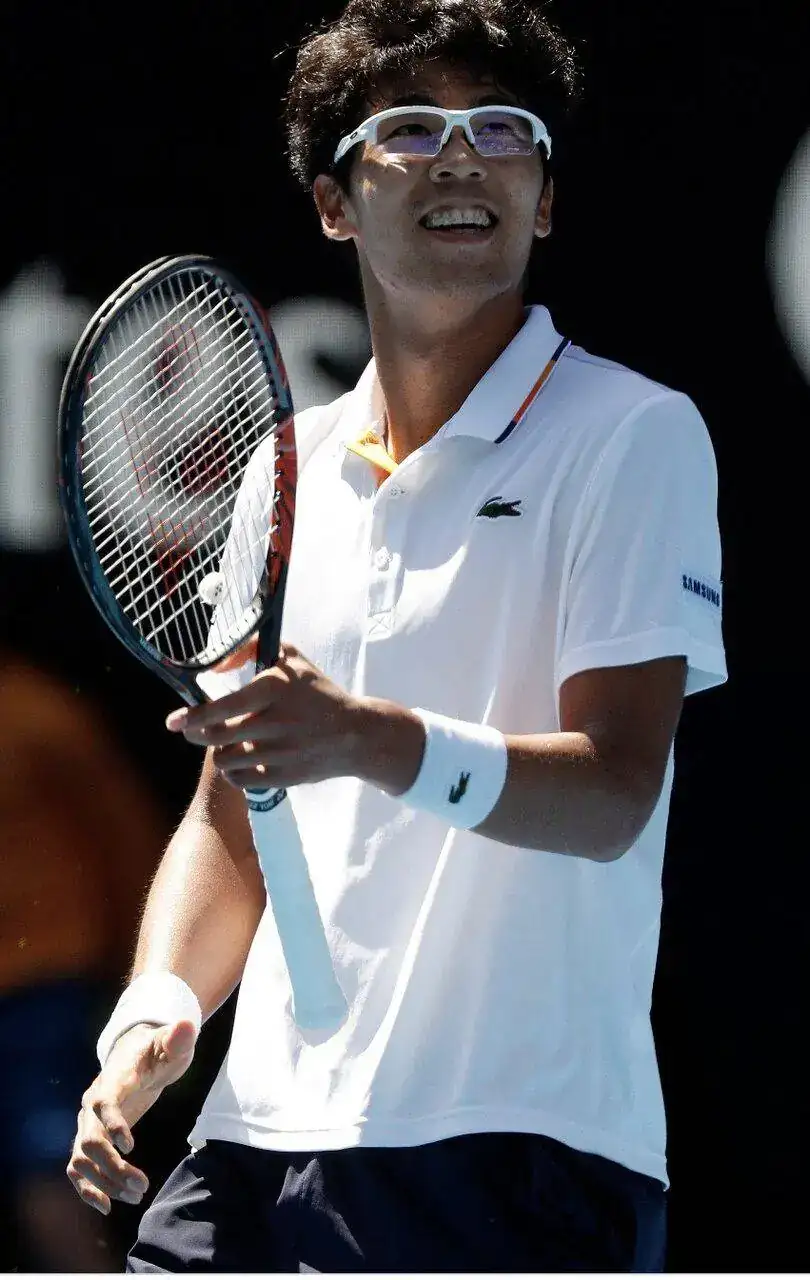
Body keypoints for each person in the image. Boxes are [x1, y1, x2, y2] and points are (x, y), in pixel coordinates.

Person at [66, 0, 727, 1271]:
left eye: (502, 130)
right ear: (334, 203)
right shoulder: (283, 467)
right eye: (413, 128)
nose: (461, 157)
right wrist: (159, 1006)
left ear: (545, 201)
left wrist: (368, 737)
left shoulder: (636, 436)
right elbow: (232, 806)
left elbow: (612, 791)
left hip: (516, 1153)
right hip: (253, 1145)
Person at [0, 649, 167, 1271]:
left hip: (44, 981)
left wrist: (145, 973)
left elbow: (128, 840)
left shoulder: (39, 714)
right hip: (46, 976)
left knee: (48, 1164)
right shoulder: (40, 710)